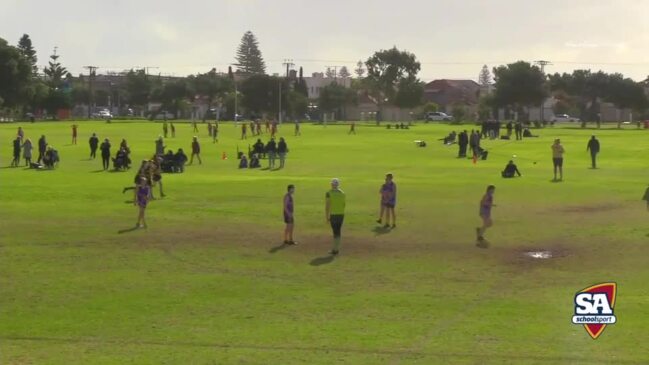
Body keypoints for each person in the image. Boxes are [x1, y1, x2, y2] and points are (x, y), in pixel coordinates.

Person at [325, 178, 346, 255]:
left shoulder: (329, 193)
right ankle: (336, 248)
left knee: (335, 232)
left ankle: (335, 249)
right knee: (338, 231)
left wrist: (327, 217)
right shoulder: (342, 193)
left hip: (333, 215)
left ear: (332, 184)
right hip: (341, 214)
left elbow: (327, 206)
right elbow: (344, 205)